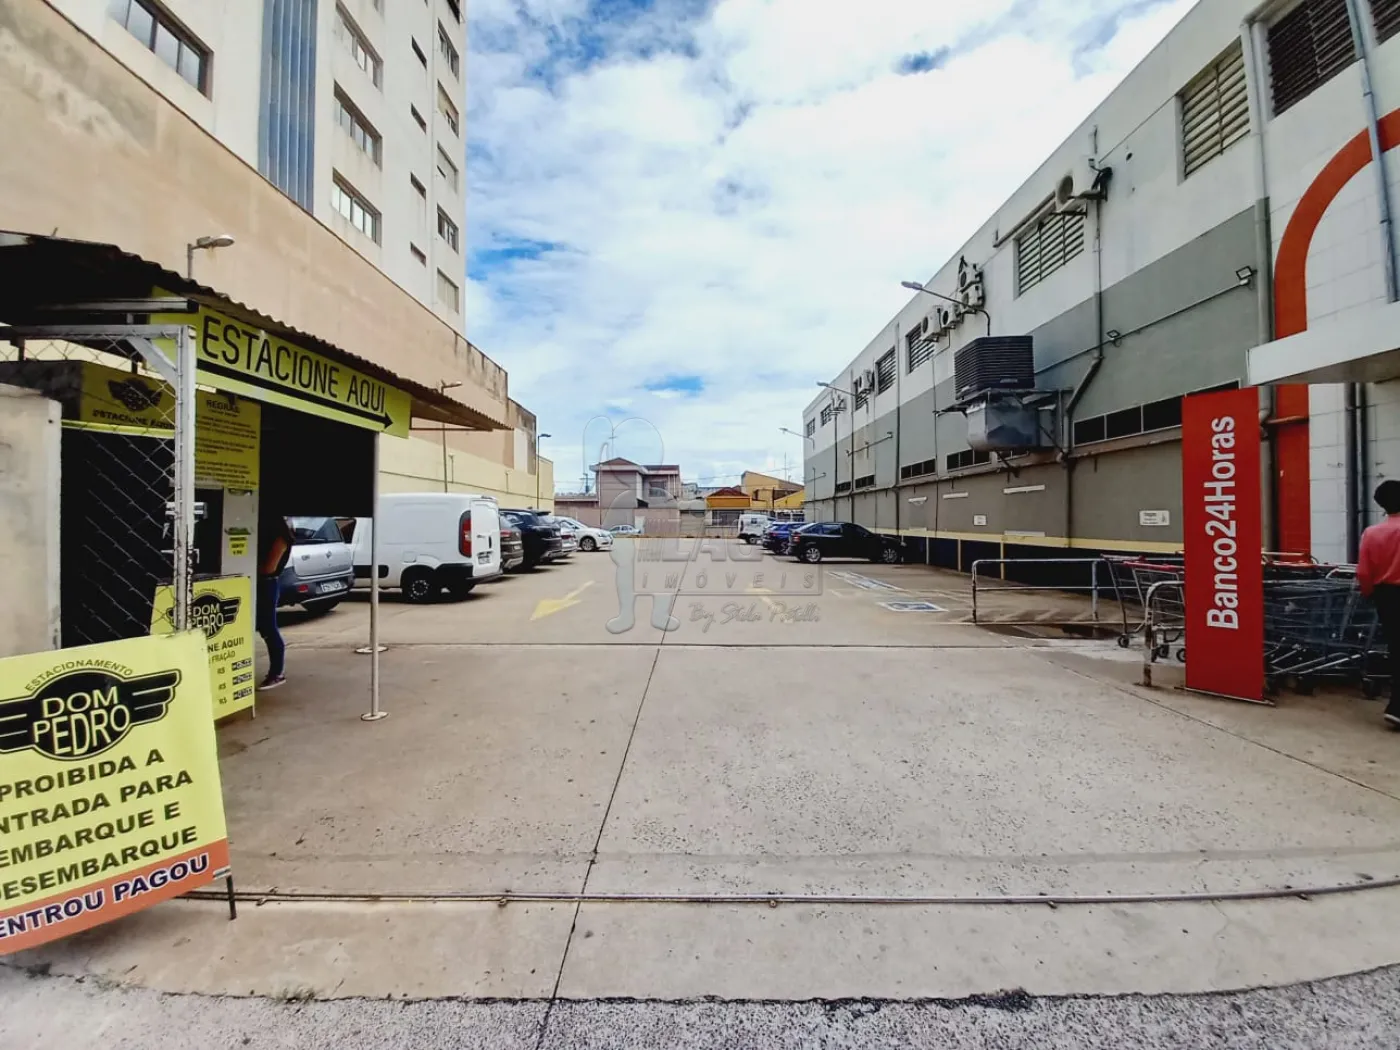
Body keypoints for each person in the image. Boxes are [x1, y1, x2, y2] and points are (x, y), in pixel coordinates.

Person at [1356, 479, 1400, 728]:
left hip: (1387, 596)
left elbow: (1364, 572)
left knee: (1396, 648)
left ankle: (1397, 705)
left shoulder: (1372, 534)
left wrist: (1369, 593)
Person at [256, 510, 295, 690]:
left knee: (268, 628)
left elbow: (268, 569)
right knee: (263, 627)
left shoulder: (280, 538)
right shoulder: (270, 533)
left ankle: (277, 672)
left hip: (266, 584)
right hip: (260, 583)